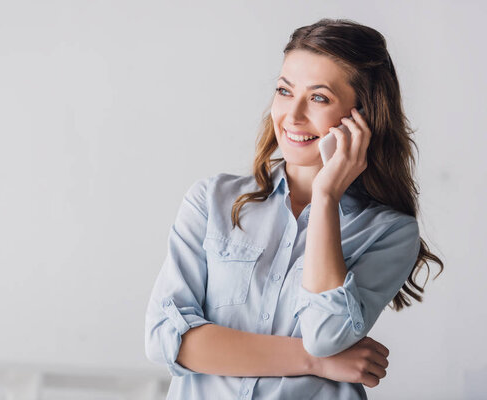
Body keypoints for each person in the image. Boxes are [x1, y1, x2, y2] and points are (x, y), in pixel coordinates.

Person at [144, 18, 444, 399]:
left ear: (362, 117)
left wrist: (325, 198)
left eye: (319, 97)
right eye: (285, 91)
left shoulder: (388, 231)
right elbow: (165, 339)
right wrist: (315, 363)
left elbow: (325, 334)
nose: (294, 115)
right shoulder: (211, 200)